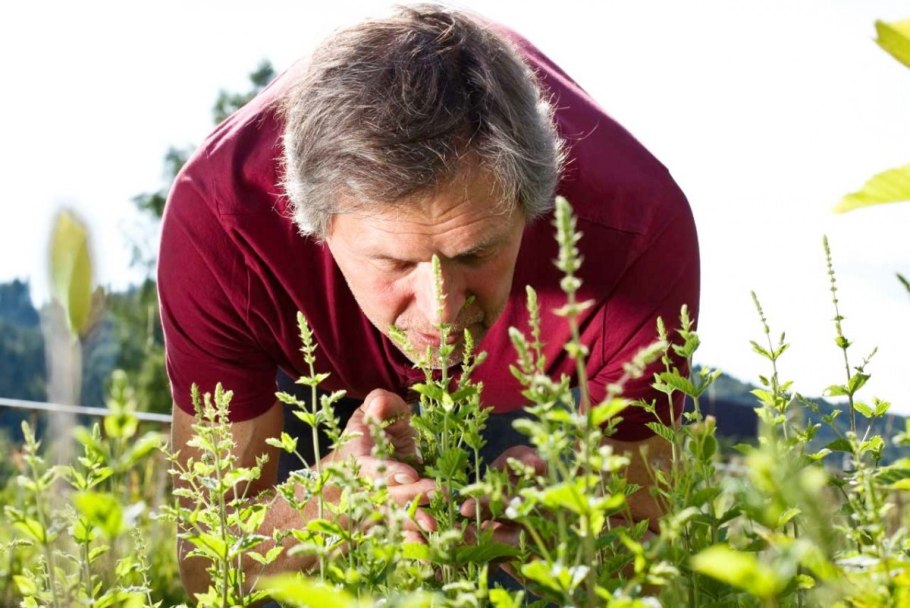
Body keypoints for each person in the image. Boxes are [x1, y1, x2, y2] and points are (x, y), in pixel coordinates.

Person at [160, 3, 699, 596]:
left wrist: (573, 537)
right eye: (395, 263)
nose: (442, 312)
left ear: (533, 206)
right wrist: (326, 502)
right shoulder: (222, 221)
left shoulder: (638, 228)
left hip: (528, 394)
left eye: (475, 254)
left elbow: (651, 553)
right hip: (309, 373)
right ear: (315, 224)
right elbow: (207, 566)